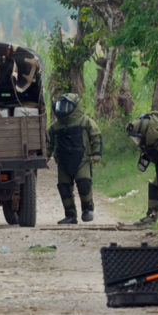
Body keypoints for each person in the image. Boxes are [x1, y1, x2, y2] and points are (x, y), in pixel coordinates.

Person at [46, 92, 103, 224]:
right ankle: (70, 215)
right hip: (63, 162)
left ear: (75, 107)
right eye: (61, 106)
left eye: (67, 106)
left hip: (82, 160)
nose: (63, 109)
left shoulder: (85, 121)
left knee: (84, 183)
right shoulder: (55, 126)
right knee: (64, 187)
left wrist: (96, 154)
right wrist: (46, 156)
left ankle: (87, 209)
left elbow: (96, 136)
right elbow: (49, 143)